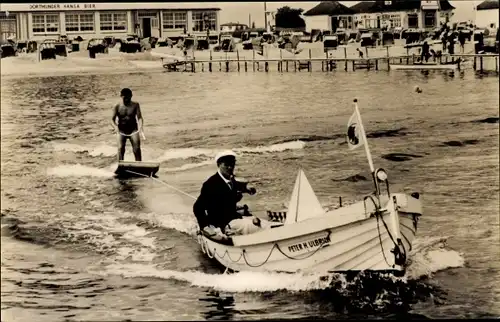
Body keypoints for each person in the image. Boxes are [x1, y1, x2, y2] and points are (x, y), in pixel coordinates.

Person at [193, 150, 270, 238]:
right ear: (219, 165)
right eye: (226, 165)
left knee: (264, 224)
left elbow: (235, 186)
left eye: (232, 164)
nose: (230, 167)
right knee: (255, 227)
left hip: (235, 218)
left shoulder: (230, 180)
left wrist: (247, 188)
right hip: (222, 224)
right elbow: (197, 207)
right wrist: (205, 227)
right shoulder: (210, 184)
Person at [111, 88, 143, 161]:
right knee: (120, 148)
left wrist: (140, 126)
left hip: (133, 130)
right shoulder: (117, 106)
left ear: (131, 96)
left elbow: (139, 118)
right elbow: (112, 120)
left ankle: (139, 164)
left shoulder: (135, 105)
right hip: (121, 130)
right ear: (121, 96)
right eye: (125, 98)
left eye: (128, 98)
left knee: (137, 148)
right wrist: (115, 127)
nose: (127, 100)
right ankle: (120, 165)